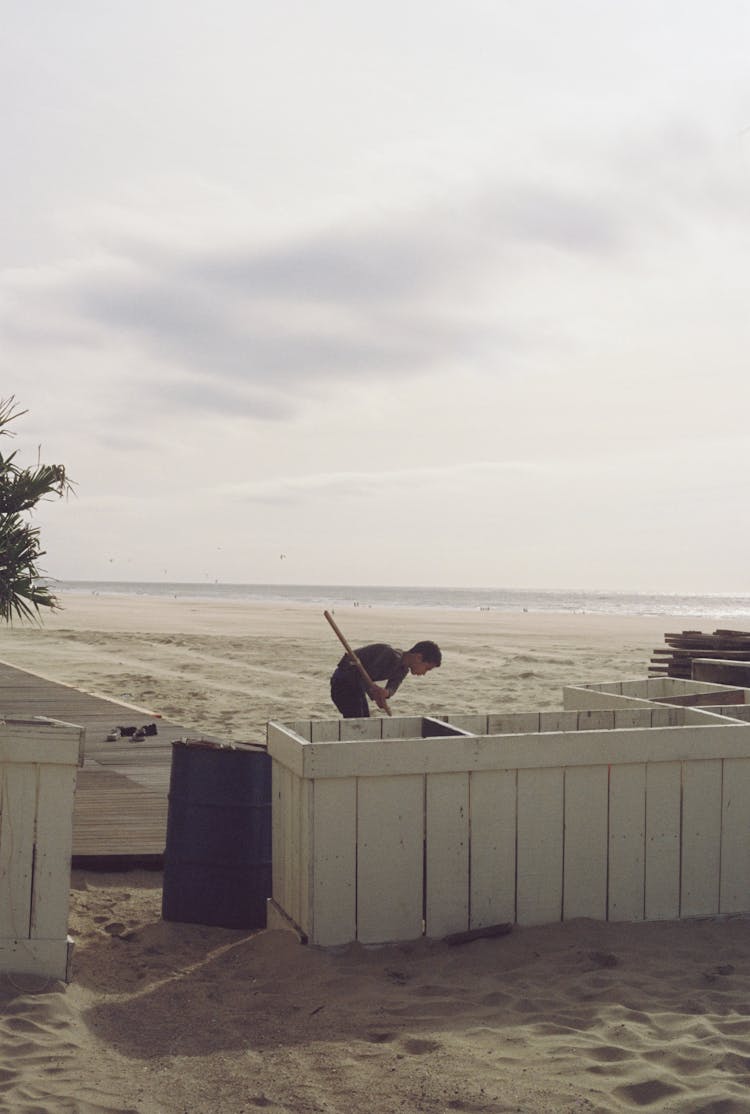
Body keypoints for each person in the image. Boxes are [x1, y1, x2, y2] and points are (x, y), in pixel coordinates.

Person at [330, 640, 442, 718]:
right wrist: (375, 692)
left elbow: (392, 687)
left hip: (357, 687)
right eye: (427, 668)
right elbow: (364, 675)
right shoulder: (390, 655)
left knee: (363, 719)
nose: (424, 673)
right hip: (343, 681)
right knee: (358, 720)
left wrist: (385, 693)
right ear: (418, 657)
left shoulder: (403, 669)